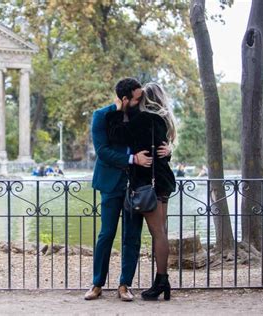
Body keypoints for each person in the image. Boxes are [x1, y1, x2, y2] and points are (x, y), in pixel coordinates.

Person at [84, 77, 171, 301]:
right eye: (137, 98)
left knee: (131, 237)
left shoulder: (137, 116)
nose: (140, 101)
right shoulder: (101, 116)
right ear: (125, 99)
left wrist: (167, 149)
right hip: (111, 183)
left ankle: (125, 285)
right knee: (106, 234)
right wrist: (132, 159)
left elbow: (152, 140)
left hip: (137, 186)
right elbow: (102, 151)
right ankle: (97, 284)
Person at [106, 82, 176, 301]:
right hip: (163, 180)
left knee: (158, 233)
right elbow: (162, 151)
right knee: (161, 231)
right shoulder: (163, 119)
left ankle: (162, 280)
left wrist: (118, 110)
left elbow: (118, 135)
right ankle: (160, 281)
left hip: (147, 183)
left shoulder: (144, 119)